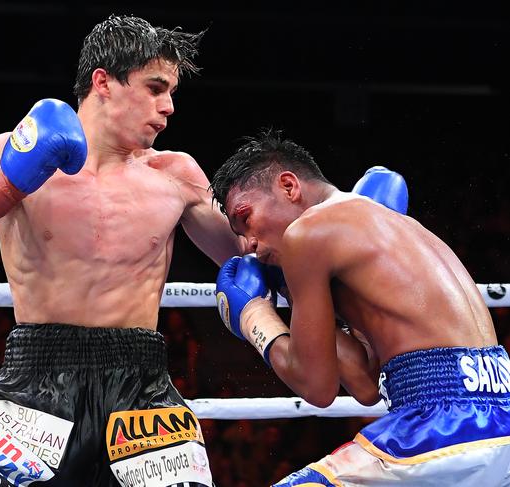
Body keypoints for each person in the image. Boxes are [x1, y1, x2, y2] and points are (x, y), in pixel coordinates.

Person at [0, 14, 246, 487]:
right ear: (103, 82)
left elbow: (250, 254)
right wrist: (8, 181)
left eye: (171, 93)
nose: (168, 108)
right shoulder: (9, 152)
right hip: (33, 385)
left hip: (141, 395)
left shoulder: (176, 174)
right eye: (155, 88)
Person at [210, 129, 510, 486]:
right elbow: (366, 384)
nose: (250, 245)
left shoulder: (307, 234)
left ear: (289, 186)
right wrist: (292, 290)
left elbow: (317, 388)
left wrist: (254, 317)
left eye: (246, 218)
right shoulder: (393, 225)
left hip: (441, 425)